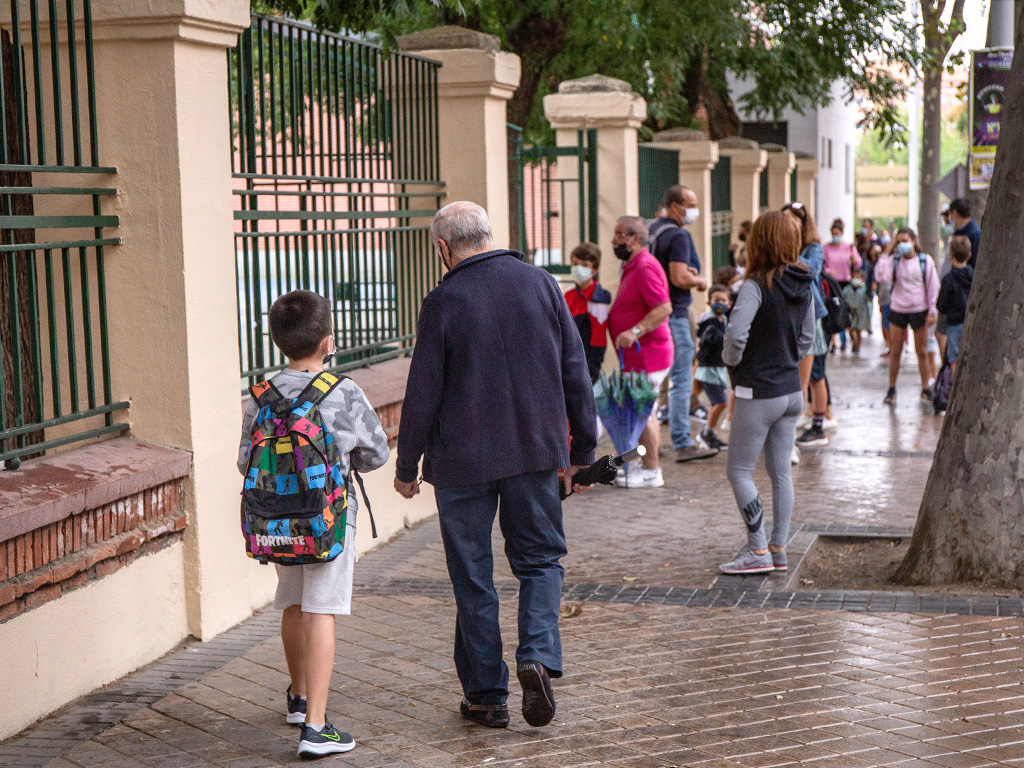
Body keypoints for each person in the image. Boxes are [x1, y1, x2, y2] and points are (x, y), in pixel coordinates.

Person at [394, 201, 597, 730]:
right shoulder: (542, 285)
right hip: (535, 450)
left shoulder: (443, 300)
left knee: (473, 575)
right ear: (489, 235)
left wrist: (407, 464)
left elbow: (423, 392)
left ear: (443, 248)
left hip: (461, 461)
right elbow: (575, 370)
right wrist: (583, 454)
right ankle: (536, 655)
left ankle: (486, 695)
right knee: (540, 560)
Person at [236, 289, 390, 759]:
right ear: (328, 342)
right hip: (326, 522)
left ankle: (299, 699)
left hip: (275, 520)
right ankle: (317, 729)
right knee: (321, 608)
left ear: (279, 340)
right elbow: (377, 452)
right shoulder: (342, 392)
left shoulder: (259, 395)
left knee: (293, 600)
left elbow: (246, 461)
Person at [720, 211, 815, 574]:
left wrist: (733, 362)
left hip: (757, 390)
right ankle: (778, 548)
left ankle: (757, 551)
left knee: (739, 471)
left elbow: (735, 335)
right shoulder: (803, 282)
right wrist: (786, 357)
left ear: (758, 241)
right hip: (791, 389)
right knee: (781, 475)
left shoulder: (755, 285)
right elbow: (807, 339)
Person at [648, 185, 717, 463]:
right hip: (675, 312)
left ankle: (649, 439)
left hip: (653, 313)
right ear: (675, 206)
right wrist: (700, 281)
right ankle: (682, 440)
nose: (694, 209)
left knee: (656, 379)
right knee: (681, 378)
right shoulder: (678, 236)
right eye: (690, 204)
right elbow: (679, 277)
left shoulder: (651, 231)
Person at [608, 216, 676, 487]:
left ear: (634, 238)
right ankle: (636, 465)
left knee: (643, 413)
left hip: (649, 353)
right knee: (635, 413)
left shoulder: (646, 265)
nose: (614, 241)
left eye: (618, 234)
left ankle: (651, 471)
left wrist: (634, 331)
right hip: (636, 356)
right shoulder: (631, 266)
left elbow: (663, 307)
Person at [782, 202, 831, 448]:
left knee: (815, 376)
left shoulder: (813, 248)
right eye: (785, 219)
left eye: (794, 219)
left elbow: (809, 270)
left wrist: (787, 254)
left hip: (811, 318)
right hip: (788, 318)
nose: (789, 223)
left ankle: (818, 427)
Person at [875, 227, 940, 404]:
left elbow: (933, 287)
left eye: (905, 240)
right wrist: (888, 249)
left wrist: (932, 311)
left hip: (919, 309)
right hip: (898, 309)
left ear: (913, 241)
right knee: (896, 351)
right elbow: (881, 276)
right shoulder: (894, 261)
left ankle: (926, 387)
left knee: (922, 351)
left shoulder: (924, 261)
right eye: (899, 241)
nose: (902, 245)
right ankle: (892, 387)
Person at [564, 243, 611, 382]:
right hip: (568, 360)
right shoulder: (569, 293)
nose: (578, 269)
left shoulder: (597, 300)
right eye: (574, 264)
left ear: (595, 270)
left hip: (585, 365)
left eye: (584, 265)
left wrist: (591, 369)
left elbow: (599, 340)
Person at [695, 284, 732, 451]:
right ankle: (706, 434)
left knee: (719, 402)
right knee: (720, 402)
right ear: (709, 302)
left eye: (723, 300)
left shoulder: (723, 320)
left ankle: (709, 433)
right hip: (707, 368)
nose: (719, 304)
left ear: (729, 303)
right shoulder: (709, 321)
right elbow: (707, 338)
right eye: (716, 300)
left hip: (717, 368)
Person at [936, 234, 973, 375]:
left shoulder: (948, 279)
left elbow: (941, 304)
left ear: (951, 255)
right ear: (969, 255)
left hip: (954, 323)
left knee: (954, 360)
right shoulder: (973, 275)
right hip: (969, 322)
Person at [823, 218, 862, 288]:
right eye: (833, 234)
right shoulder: (826, 247)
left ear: (841, 233)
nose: (835, 236)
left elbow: (858, 263)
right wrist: (828, 271)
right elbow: (822, 264)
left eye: (837, 234)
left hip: (846, 281)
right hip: (831, 281)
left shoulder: (849, 247)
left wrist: (854, 260)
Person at [842, 269, 870, 353]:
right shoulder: (848, 289)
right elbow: (843, 298)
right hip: (850, 312)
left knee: (859, 330)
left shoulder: (864, 289)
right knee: (850, 330)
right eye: (855, 277)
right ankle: (854, 342)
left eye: (858, 277)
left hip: (861, 313)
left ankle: (858, 347)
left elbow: (868, 302)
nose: (856, 279)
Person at [948, 197, 981, 268]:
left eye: (951, 215)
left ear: (955, 213)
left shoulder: (975, 234)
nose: (951, 219)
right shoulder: (958, 232)